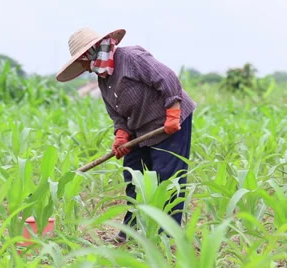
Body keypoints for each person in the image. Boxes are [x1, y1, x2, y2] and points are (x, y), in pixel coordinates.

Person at [56, 27, 197, 243]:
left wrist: (173, 110)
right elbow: (116, 111)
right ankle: (131, 231)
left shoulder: (131, 57)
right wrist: (121, 134)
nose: (83, 67)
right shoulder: (103, 78)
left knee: (166, 178)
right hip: (139, 129)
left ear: (92, 52)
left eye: (82, 61)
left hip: (170, 123)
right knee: (134, 176)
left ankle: (167, 236)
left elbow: (166, 77)